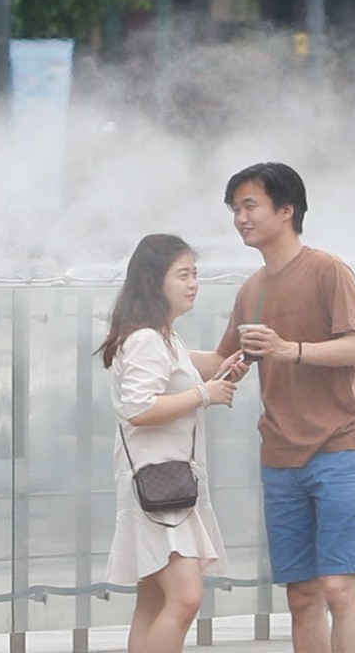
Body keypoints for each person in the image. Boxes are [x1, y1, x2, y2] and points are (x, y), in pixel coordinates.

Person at [199, 162, 355, 653]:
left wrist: (288, 350)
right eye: (235, 208)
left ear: (286, 209)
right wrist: (148, 339)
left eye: (250, 205)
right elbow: (223, 360)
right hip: (279, 457)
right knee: (301, 595)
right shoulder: (251, 288)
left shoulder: (327, 269)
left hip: (341, 448)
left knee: (340, 588)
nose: (240, 218)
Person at [97, 234, 244, 653]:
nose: (193, 283)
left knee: (155, 600)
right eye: (183, 275)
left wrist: (221, 376)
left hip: (162, 485)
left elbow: (203, 370)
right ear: (153, 281)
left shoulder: (164, 337)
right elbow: (138, 408)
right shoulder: (146, 339)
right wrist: (205, 395)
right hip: (158, 487)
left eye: (194, 274)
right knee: (185, 597)